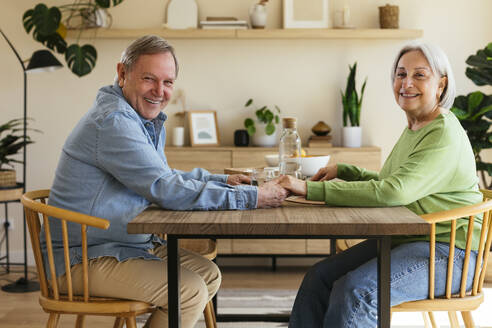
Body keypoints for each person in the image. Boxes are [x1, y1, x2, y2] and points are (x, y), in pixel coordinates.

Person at [43, 35, 288, 328]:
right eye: (149, 79)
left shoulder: (137, 118)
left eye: (168, 82)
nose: (159, 91)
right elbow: (166, 189)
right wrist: (253, 197)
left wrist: (224, 180)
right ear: (122, 73)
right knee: (188, 290)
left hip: (123, 246)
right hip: (82, 259)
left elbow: (164, 177)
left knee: (209, 274)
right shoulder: (114, 122)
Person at [278, 42, 483, 327]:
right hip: (410, 239)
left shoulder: (443, 133)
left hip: (449, 253)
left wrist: (309, 189)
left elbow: (393, 192)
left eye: (419, 75)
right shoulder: (416, 127)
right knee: (318, 278)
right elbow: (394, 185)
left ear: (441, 85)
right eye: (400, 74)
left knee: (356, 292)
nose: (406, 83)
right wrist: (346, 171)